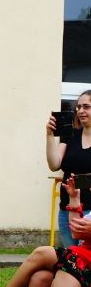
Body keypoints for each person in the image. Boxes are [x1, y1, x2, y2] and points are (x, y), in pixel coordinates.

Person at [46, 90, 91, 247]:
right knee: (69, 257)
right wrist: (49, 136)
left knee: (85, 259)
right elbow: (54, 164)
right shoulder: (70, 135)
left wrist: (78, 182)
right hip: (66, 210)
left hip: (89, 213)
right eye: (78, 107)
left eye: (86, 107)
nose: (81, 111)